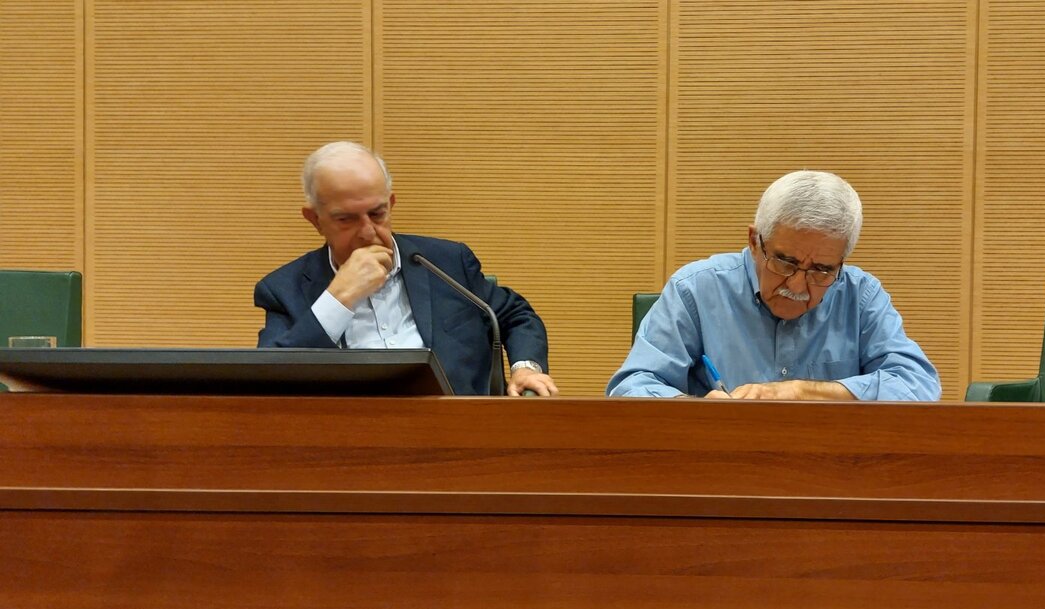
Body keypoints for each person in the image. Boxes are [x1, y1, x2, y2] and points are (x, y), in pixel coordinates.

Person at [255, 141, 558, 397]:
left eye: (377, 214)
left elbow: (515, 315)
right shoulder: (284, 289)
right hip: (352, 439)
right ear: (315, 220)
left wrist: (525, 368)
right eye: (346, 219)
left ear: (391, 203)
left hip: (461, 432)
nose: (367, 232)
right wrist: (339, 299)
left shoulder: (447, 262)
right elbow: (270, 379)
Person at [607, 170, 940, 401]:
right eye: (785, 262)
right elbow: (631, 387)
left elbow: (918, 385)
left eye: (821, 270)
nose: (797, 284)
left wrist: (801, 392)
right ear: (755, 241)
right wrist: (694, 408)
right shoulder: (696, 289)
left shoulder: (861, 296)